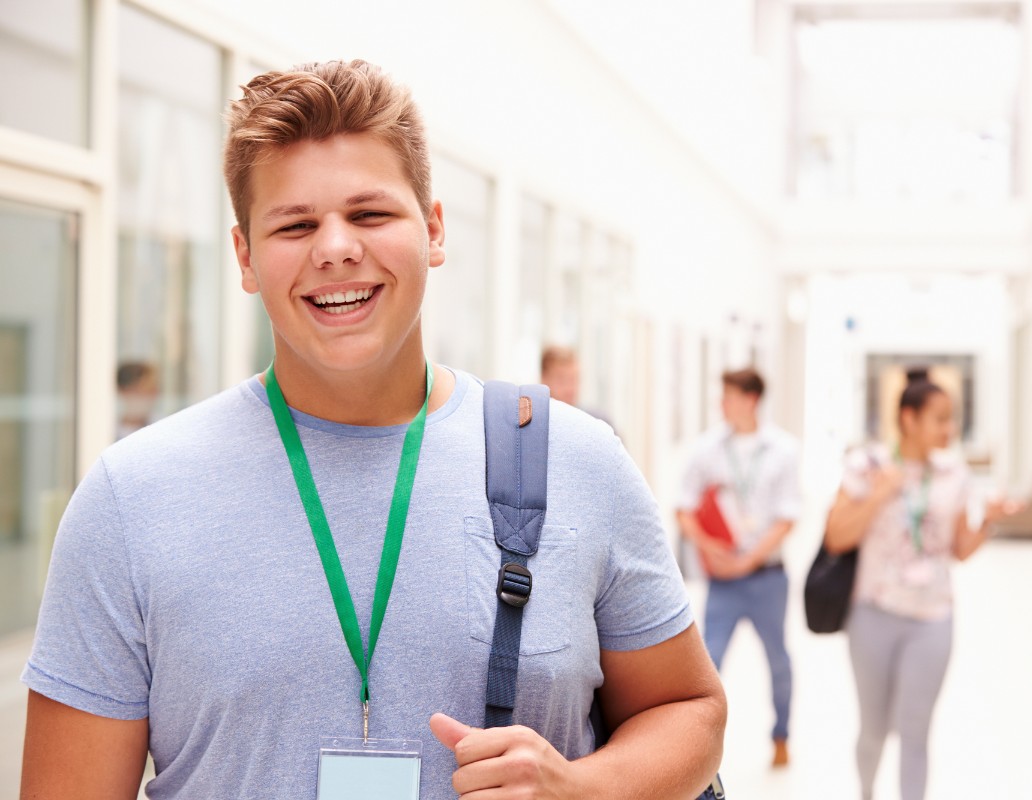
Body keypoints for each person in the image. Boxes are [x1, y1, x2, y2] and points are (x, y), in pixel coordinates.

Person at [20, 60, 725, 799]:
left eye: (370, 214)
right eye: (294, 224)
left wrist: (587, 789)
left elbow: (690, 709)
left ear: (435, 229)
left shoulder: (574, 461)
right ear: (245, 257)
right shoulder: (132, 500)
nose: (334, 248)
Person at [824, 367, 1015, 800]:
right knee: (873, 728)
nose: (951, 428)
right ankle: (866, 790)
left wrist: (987, 520)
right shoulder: (867, 465)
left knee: (916, 728)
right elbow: (836, 536)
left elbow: (960, 550)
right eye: (941, 418)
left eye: (953, 418)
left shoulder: (954, 474)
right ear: (908, 419)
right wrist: (880, 493)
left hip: (933, 618)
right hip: (873, 613)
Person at [678, 367, 800, 768]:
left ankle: (781, 735)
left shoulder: (782, 449)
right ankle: (696, 747)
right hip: (722, 582)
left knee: (778, 659)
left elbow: (787, 517)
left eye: (729, 396)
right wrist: (710, 547)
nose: (722, 405)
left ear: (751, 400)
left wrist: (748, 559)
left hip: (767, 577)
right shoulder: (708, 449)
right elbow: (684, 508)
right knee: (707, 663)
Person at [540, 345, 612, 428]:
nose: (569, 388)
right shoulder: (536, 424)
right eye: (561, 380)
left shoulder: (599, 423)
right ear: (544, 379)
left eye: (573, 379)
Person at [115, 361, 160, 439]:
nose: (153, 395)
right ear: (122, 390)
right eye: (140, 390)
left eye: (151, 390)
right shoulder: (104, 429)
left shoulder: (161, 427)